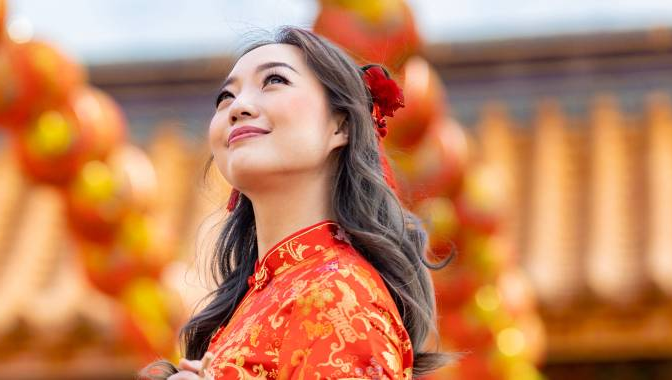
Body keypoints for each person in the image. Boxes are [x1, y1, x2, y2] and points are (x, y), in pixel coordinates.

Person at [142, 26, 452, 380]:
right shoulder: (252, 302)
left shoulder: (339, 293)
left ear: (340, 126)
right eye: (225, 97)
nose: (237, 107)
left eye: (274, 80)